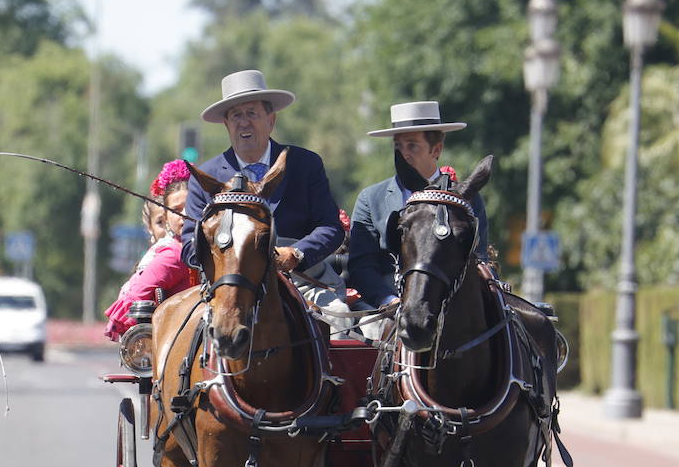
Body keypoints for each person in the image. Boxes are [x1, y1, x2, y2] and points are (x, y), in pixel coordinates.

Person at [179, 70, 348, 331]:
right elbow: (189, 244)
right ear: (226, 123)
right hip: (228, 286)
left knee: (338, 317)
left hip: (302, 279)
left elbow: (331, 227)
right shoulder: (206, 176)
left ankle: (328, 375)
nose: (244, 123)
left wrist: (297, 253)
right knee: (195, 332)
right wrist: (228, 259)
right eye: (236, 115)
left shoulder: (305, 164)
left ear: (271, 120)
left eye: (252, 113)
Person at [347, 101, 488, 323]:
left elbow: (479, 258)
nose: (403, 154)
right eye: (398, 146)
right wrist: (388, 300)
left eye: (412, 146)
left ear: (437, 150)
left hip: (452, 310)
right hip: (387, 311)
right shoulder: (371, 199)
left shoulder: (464, 199)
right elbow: (361, 266)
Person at [104, 160, 198, 341]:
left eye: (190, 206)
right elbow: (135, 296)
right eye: (176, 210)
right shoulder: (173, 254)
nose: (184, 215)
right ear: (167, 217)